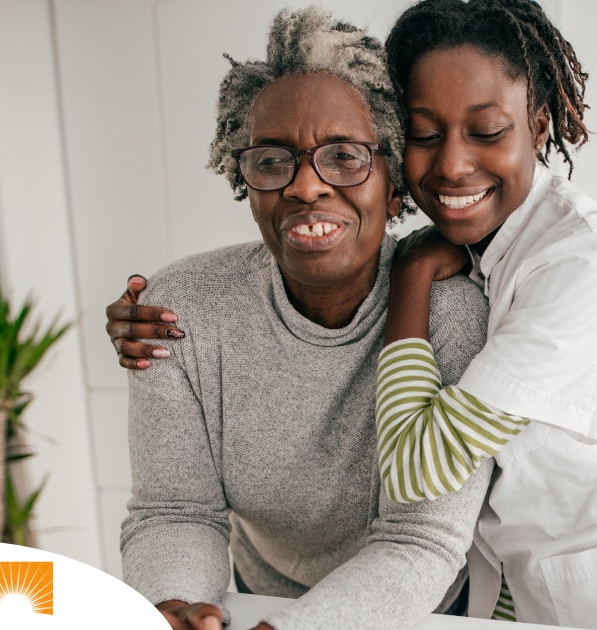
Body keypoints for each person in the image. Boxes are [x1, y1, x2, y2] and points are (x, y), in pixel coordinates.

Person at [115, 8, 493, 630]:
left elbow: (419, 538)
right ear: (248, 183)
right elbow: (174, 509)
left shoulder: (454, 313)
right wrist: (174, 605)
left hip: (412, 611)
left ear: (394, 181)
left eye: (343, 156)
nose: (305, 187)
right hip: (254, 598)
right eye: (272, 160)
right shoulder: (180, 308)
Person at [372, 1, 597, 628]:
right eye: (425, 134)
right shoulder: (482, 243)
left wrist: (411, 274)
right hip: (513, 586)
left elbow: (416, 464)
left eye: (486, 132)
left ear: (537, 128)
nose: (451, 163)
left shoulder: (581, 258)